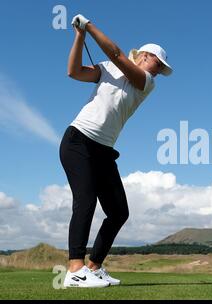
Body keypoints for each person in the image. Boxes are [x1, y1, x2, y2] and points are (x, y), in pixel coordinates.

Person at [60, 14, 173, 288]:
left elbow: (117, 54)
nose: (158, 71)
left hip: (103, 150)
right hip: (78, 141)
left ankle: (94, 267)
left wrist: (89, 26)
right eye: (157, 64)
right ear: (144, 56)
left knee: (118, 212)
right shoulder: (106, 68)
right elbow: (74, 72)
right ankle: (75, 270)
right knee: (85, 201)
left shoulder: (146, 82)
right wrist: (79, 37)